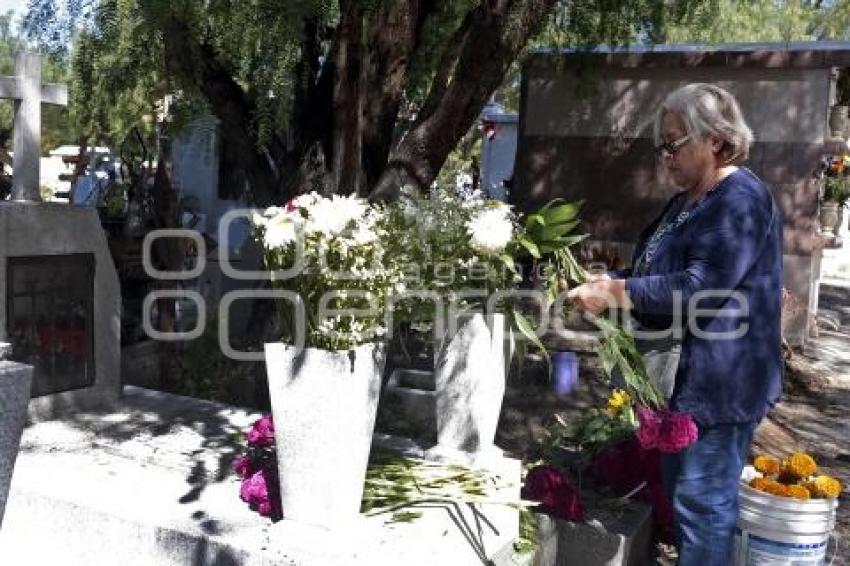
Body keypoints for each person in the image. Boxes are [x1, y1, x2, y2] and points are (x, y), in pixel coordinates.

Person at [567, 83, 783, 565]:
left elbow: (700, 287)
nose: (665, 155)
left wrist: (617, 294)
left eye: (674, 142)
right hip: (681, 382)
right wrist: (612, 280)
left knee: (703, 509)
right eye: (661, 144)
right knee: (685, 502)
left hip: (719, 386)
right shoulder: (688, 200)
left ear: (715, 139)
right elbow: (656, 273)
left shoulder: (739, 199)